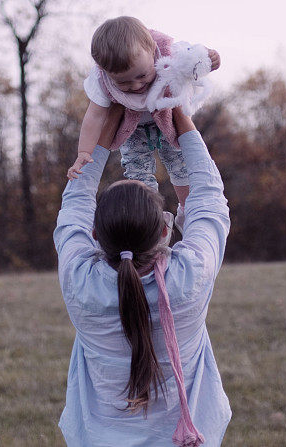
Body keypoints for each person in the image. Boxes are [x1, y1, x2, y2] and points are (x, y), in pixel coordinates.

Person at [54, 103, 231, 446]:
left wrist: (108, 118)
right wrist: (174, 105)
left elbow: (74, 203)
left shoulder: (80, 280)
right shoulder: (189, 277)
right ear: (167, 230)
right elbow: (208, 199)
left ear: (94, 234)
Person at [66, 16, 220, 233]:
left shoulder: (169, 54)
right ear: (105, 71)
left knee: (181, 166)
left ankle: (188, 212)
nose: (135, 85)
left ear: (152, 50)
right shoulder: (101, 79)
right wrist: (84, 151)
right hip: (133, 130)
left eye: (142, 76)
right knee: (138, 175)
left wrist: (211, 59)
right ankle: (151, 223)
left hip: (168, 120)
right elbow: (95, 117)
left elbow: (196, 59)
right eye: (123, 82)